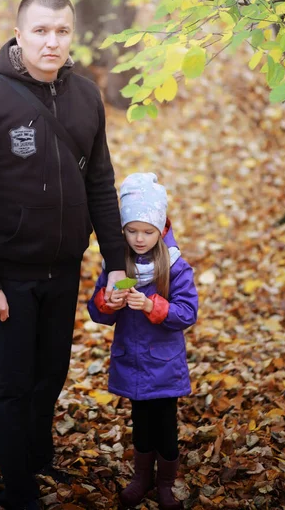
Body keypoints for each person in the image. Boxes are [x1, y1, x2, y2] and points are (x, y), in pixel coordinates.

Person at [0, 0, 126, 510]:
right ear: (19, 32)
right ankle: (18, 488)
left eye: (62, 31)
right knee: (10, 384)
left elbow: (100, 181)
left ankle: (36, 453)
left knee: (51, 373)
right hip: (8, 272)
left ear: (72, 34)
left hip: (64, 267)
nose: (52, 42)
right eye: (41, 31)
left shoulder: (87, 96)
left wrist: (117, 264)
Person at [87, 173, 198, 510]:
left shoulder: (175, 266)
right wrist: (109, 302)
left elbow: (187, 312)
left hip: (164, 364)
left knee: (165, 425)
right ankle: (141, 478)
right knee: (140, 424)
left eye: (147, 231)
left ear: (161, 228)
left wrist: (153, 306)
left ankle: (166, 483)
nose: (139, 238)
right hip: (132, 362)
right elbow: (97, 310)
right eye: (131, 230)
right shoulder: (117, 266)